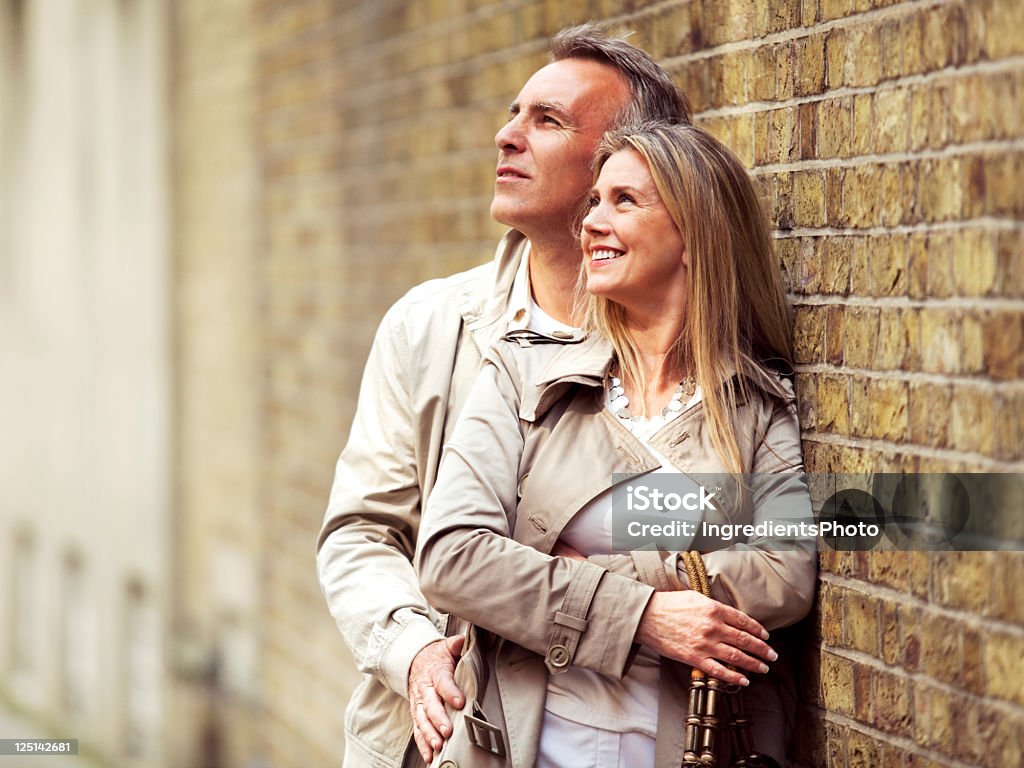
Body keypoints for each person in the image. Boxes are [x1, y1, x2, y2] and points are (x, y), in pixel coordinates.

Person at [316, 25, 692, 767]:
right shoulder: (430, 327)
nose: (506, 136)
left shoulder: (689, 350)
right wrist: (417, 650)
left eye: (546, 122)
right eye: (515, 113)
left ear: (628, 165)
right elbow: (362, 532)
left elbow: (758, 536)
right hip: (449, 743)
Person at [416, 122, 818, 767]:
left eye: (625, 202)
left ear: (694, 233)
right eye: (594, 202)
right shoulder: (523, 376)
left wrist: (570, 573)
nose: (593, 223)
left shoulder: (757, 404)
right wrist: (645, 616)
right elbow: (451, 557)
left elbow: (784, 573)